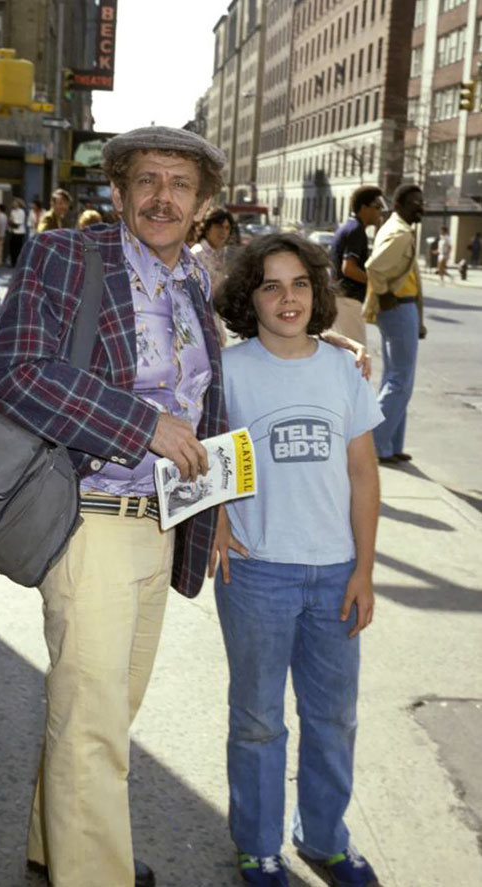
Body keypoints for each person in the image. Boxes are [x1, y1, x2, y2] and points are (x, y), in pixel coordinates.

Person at [0, 125, 228, 887]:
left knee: (102, 712)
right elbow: (13, 372)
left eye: (179, 186)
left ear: (200, 205)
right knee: (92, 727)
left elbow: (203, 403)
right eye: (146, 181)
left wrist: (212, 512)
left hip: (160, 525)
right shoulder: (67, 255)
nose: (162, 197)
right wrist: (138, 423)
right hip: (88, 520)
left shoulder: (193, 280)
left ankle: (55, 845)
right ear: (117, 193)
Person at [209, 232, 383, 887]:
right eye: (270, 285)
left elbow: (363, 473)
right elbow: (210, 453)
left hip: (334, 571)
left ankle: (324, 838)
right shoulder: (228, 369)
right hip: (257, 574)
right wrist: (219, 520)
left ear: (317, 291)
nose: (287, 297)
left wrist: (363, 569)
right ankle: (257, 845)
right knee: (256, 720)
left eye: (299, 283)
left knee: (333, 717)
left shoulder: (343, 369)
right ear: (248, 298)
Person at [363, 183, 426, 465]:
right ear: (399, 205)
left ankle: (389, 445)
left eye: (421, 202)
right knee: (400, 381)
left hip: (405, 308)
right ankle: (374, 444)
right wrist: (385, 293)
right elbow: (374, 267)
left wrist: (420, 318)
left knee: (398, 379)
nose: (420, 207)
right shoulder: (399, 233)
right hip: (399, 308)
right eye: (414, 202)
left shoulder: (397, 227)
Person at [330, 186, 385, 345]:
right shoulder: (356, 230)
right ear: (363, 207)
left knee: (343, 353)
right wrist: (374, 282)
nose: (379, 212)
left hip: (341, 298)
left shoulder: (349, 227)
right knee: (356, 355)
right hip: (348, 300)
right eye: (377, 207)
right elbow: (349, 268)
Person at [191, 206, 235, 346]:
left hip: (215, 324)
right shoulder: (196, 255)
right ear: (208, 228)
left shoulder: (223, 256)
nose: (223, 232)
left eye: (227, 228)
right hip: (197, 325)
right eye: (219, 226)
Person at [8, 197, 27, 266]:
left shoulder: (21, 211)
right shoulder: (13, 211)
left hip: (19, 232)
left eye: (15, 203)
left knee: (18, 248)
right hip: (13, 231)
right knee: (12, 248)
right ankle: (13, 262)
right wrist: (11, 222)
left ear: (18, 204)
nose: (13, 204)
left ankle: (18, 263)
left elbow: (19, 222)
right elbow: (10, 220)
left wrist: (12, 222)